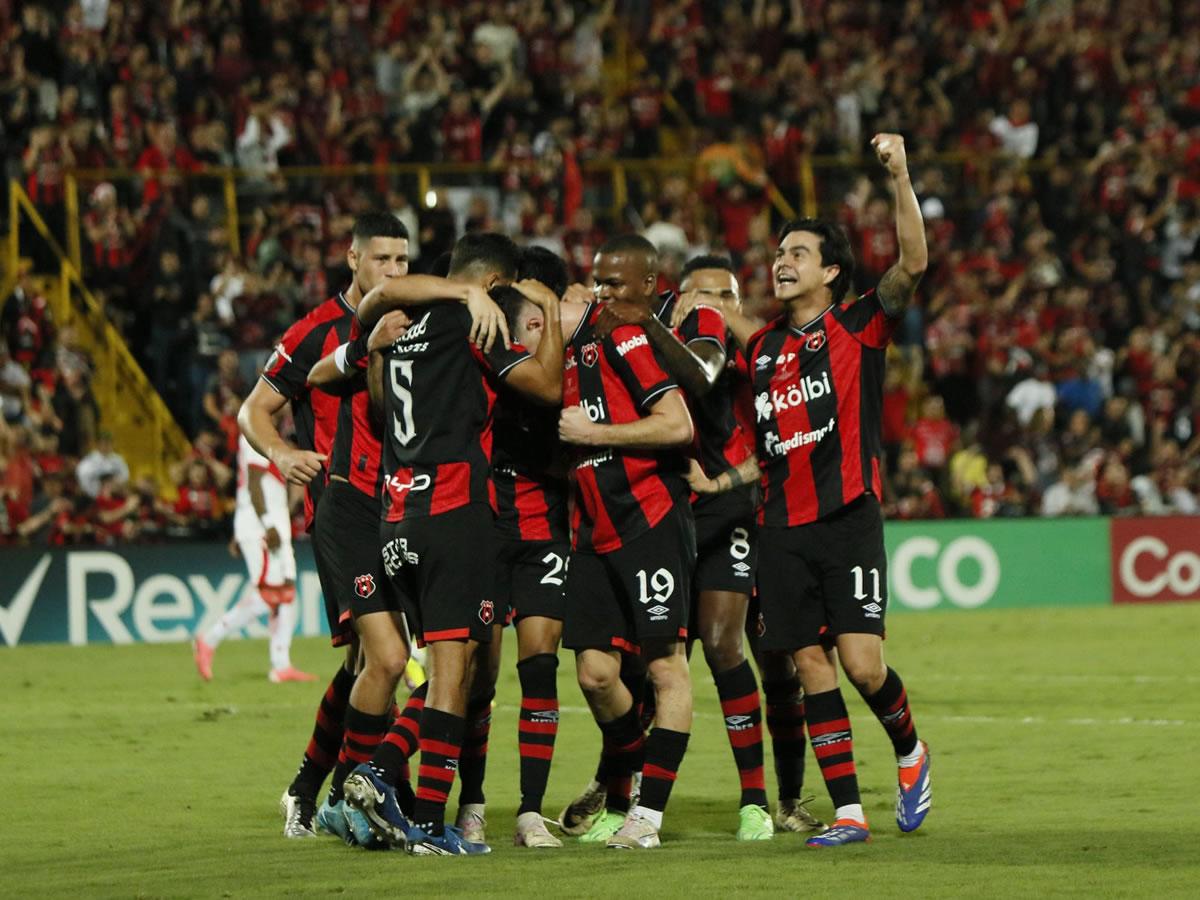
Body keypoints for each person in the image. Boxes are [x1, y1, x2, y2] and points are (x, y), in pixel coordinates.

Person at [672, 134, 932, 847]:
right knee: (810, 662)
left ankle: (910, 751)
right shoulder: (761, 352)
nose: (781, 263)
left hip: (847, 518)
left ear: (832, 271)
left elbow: (914, 262)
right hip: (779, 530)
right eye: (779, 253)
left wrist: (901, 173)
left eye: (797, 254)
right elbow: (756, 434)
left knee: (861, 662)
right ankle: (848, 812)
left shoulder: (859, 327)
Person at [318, 232, 563, 856]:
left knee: (458, 664)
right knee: (456, 674)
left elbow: (378, 330)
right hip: (455, 511)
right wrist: (553, 314)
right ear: (492, 286)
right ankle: (426, 821)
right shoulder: (471, 325)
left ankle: (379, 782)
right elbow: (547, 387)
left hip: (398, 518)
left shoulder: (398, 329)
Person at [582, 250, 785, 840]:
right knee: (641, 664)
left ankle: (755, 801)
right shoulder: (645, 322)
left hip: (724, 510)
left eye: (725, 297)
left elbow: (705, 376)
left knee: (723, 644)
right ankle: (619, 794)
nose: (712, 306)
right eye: (703, 294)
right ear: (674, 291)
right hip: (664, 507)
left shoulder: (710, 335)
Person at [237, 212, 410, 839]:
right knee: (386, 659)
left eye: (403, 261)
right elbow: (254, 409)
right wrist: (282, 454)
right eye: (382, 259)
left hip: (404, 511)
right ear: (353, 258)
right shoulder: (316, 331)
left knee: (367, 663)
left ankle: (312, 785)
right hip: (344, 510)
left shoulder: (409, 322)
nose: (393, 271)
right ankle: (352, 790)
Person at [556, 234, 697, 850]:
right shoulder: (576, 343)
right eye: (597, 280)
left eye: (616, 284)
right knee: (593, 673)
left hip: (647, 524)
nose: (603, 292)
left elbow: (678, 422)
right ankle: (629, 773)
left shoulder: (629, 338)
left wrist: (596, 433)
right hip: (590, 532)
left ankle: (648, 817)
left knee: (666, 669)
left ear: (648, 287)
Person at [192, 433, 314, 684]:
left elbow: (254, 485)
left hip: (271, 526)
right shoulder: (255, 436)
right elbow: (254, 484)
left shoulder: (268, 437)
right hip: (263, 528)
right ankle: (209, 639)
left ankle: (281, 665)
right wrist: (266, 524)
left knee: (287, 594)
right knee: (270, 595)